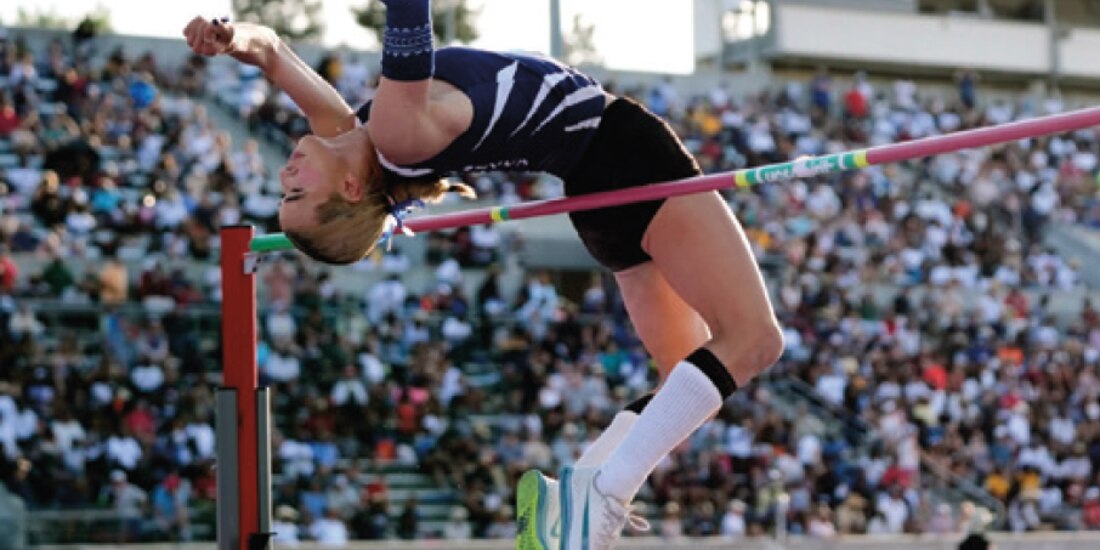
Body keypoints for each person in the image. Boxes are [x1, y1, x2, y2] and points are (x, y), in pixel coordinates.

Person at [182, 3, 783, 549]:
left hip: (592, 193)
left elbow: (270, 52)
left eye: (283, 186)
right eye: (295, 190)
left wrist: (229, 38)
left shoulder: (358, 136)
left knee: (683, 371)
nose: (286, 171)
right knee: (753, 339)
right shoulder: (393, 131)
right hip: (625, 155)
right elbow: (408, 20)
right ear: (347, 188)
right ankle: (606, 496)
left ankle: (578, 489)